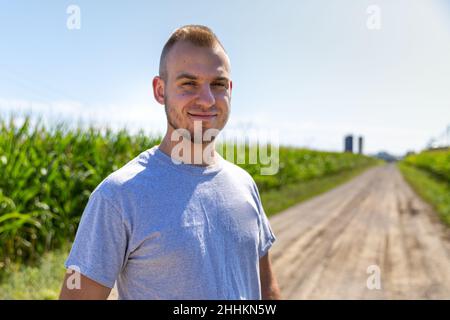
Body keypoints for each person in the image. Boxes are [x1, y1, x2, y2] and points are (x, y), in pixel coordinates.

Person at [59, 25, 280, 300]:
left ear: (230, 90)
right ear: (160, 90)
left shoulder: (244, 184)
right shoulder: (118, 196)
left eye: (218, 84)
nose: (207, 99)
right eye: (189, 84)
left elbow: (267, 290)